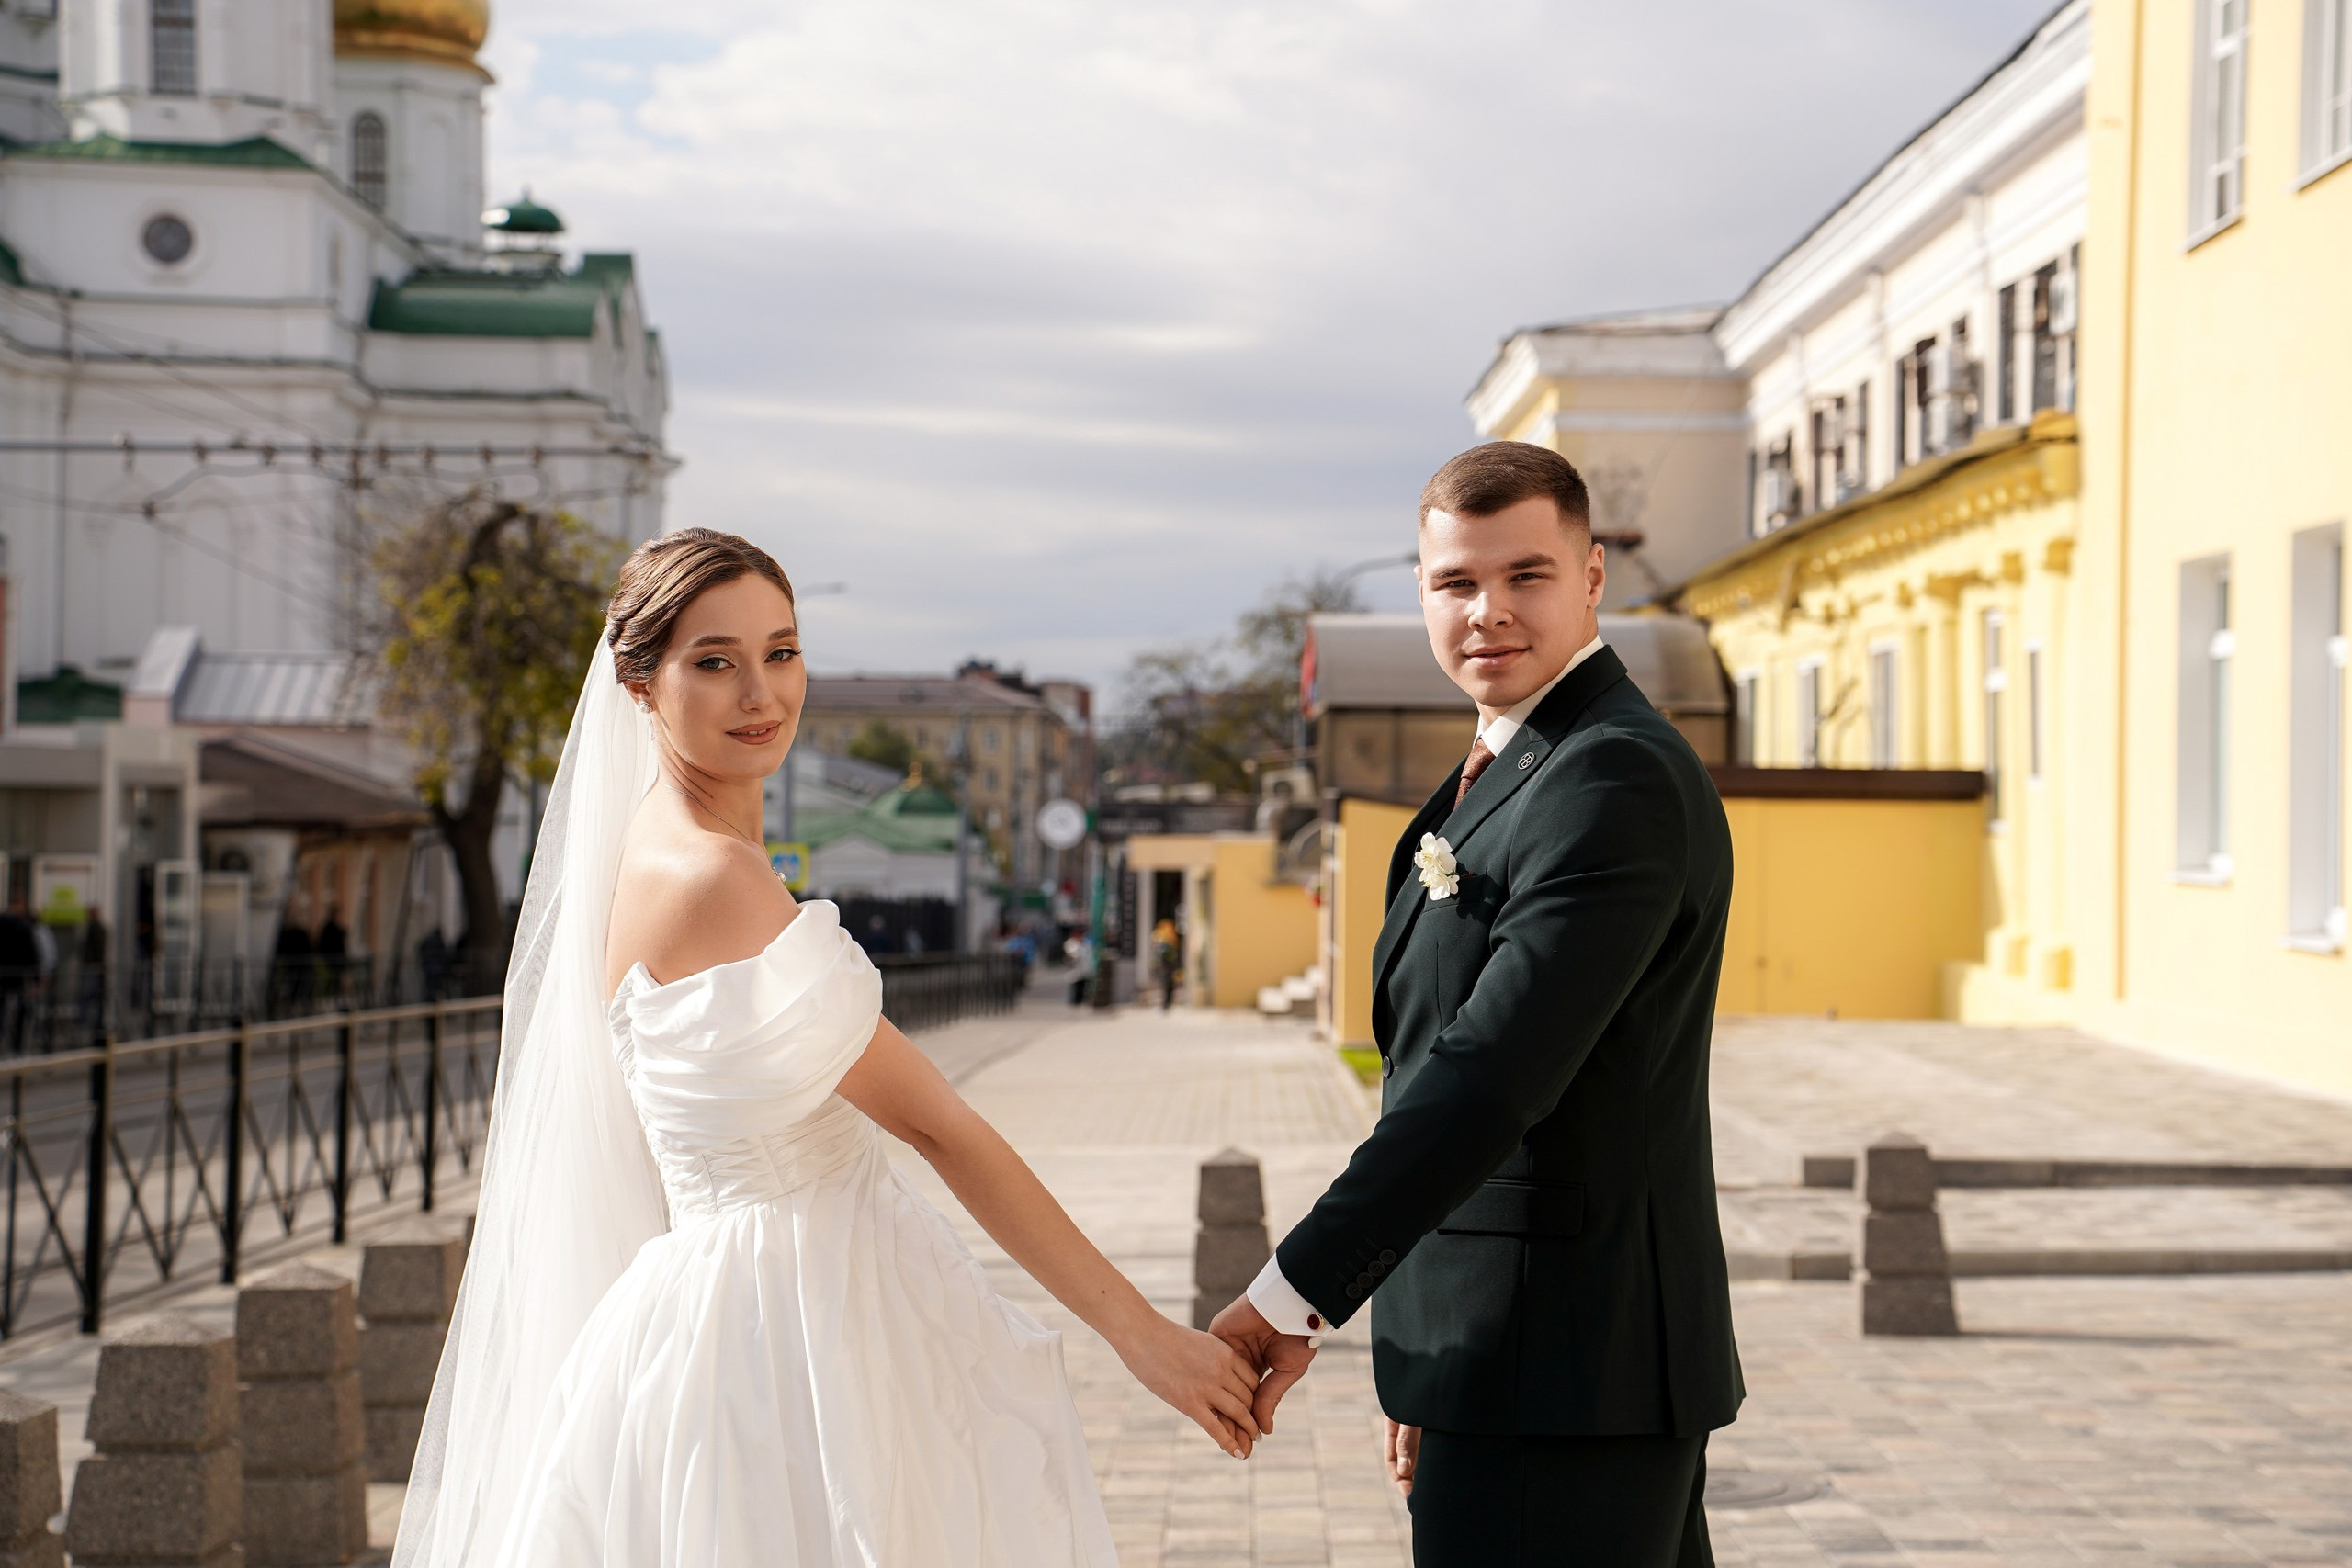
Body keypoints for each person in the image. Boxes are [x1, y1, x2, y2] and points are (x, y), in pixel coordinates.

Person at [393, 528, 1259, 1568]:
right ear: (639, 683)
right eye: (715, 661)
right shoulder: (715, 878)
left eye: (782, 651)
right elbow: (938, 1127)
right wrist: (1143, 1337)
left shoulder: (649, 850)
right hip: (789, 1332)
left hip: (734, 1309)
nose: (761, 693)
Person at [1211, 443, 1742, 1567]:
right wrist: (1430, 1344)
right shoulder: (1518, 766)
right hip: (1502, 1359)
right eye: (1455, 582)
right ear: (1421, 591)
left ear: (1591, 577)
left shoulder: (1609, 775)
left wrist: (1295, 1293)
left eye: (1524, 576)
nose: (1486, 612)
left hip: (1566, 1370)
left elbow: (1490, 1074)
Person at [0, 897, 36, 1055]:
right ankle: (16, 1046)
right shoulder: (23, 927)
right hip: (17, 975)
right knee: (19, 1011)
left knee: (2, 1008)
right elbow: (31, 953)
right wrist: (34, 977)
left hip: (3, 974)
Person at [1151, 915, 1182, 1010]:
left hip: (1166, 966)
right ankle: (1167, 1003)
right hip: (1169, 966)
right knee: (1168, 985)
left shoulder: (1163, 938)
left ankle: (1166, 1003)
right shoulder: (1171, 937)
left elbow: (1157, 950)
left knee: (1166, 984)